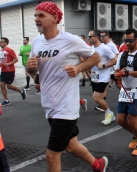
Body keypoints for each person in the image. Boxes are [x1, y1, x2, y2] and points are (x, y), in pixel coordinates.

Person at [26, 2, 108, 171]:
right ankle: (98, 165)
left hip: (66, 106)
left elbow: (96, 58)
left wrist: (78, 68)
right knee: (71, 146)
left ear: (55, 18)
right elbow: (33, 71)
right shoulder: (36, 42)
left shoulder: (70, 40)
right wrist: (31, 68)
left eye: (41, 15)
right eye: (35, 16)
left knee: (52, 155)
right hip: (49, 104)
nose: (36, 19)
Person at [114, 28, 137, 156]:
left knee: (133, 120)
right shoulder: (122, 54)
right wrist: (117, 74)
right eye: (125, 40)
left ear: (136, 39)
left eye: (130, 40)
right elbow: (116, 71)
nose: (127, 43)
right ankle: (136, 134)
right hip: (125, 91)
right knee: (121, 120)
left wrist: (128, 72)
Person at [88, 30, 117, 125]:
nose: (89, 38)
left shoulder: (105, 48)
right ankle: (110, 114)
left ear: (96, 37)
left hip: (103, 77)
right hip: (94, 76)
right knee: (98, 98)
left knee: (96, 98)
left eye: (90, 36)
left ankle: (109, 113)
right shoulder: (90, 48)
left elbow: (115, 60)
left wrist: (104, 65)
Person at [0, 37, 27, 106]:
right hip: (3, 71)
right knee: (2, 85)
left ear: (6, 43)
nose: (0, 43)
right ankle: (6, 100)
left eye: (2, 42)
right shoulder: (1, 51)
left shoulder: (10, 50)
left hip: (10, 70)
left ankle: (21, 91)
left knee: (9, 86)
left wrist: (8, 64)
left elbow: (16, 59)